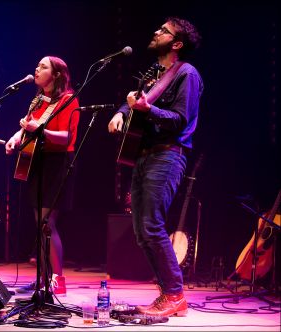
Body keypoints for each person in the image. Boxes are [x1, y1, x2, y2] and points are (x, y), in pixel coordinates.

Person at [108, 17, 203, 316]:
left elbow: (180, 119)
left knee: (151, 225)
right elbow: (136, 101)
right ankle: (167, 295)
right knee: (141, 230)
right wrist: (122, 112)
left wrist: (149, 109)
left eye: (163, 31)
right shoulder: (153, 74)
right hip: (144, 155)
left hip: (168, 155)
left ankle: (175, 294)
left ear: (176, 43)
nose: (156, 32)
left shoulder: (186, 74)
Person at [5, 56, 80, 296]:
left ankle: (58, 280)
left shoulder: (69, 100)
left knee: (47, 224)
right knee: (40, 224)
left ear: (57, 74)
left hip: (58, 163)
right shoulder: (39, 99)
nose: (37, 69)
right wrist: (16, 137)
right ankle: (44, 278)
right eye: (36, 65)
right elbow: (28, 124)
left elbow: (66, 138)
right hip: (38, 161)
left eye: (43, 67)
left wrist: (37, 129)